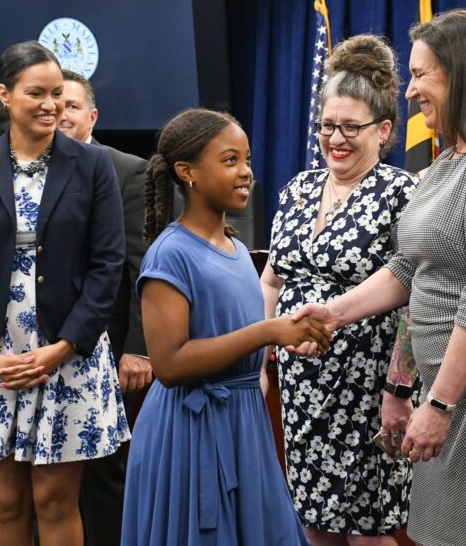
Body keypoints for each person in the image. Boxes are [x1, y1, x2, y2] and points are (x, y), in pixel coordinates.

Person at [293, 10, 466, 546]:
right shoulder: (447, 162)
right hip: (452, 384)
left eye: (422, 74)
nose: (410, 89)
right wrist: (335, 311)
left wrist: (437, 405)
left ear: (462, 73)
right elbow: (410, 270)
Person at [0, 41, 130, 546]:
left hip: (67, 353)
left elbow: (108, 267)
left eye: (58, 94)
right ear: (5, 95)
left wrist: (64, 346)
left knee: (54, 502)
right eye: (36, 93)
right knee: (5, 504)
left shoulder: (91, 164)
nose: (50, 105)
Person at [121, 109, 330, 545]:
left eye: (248, 160)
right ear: (188, 173)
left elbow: (238, 338)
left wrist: (284, 336)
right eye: (230, 160)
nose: (246, 172)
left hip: (243, 423)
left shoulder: (235, 246)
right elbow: (171, 364)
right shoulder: (170, 255)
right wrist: (269, 333)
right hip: (190, 434)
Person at [260, 34, 418, 545]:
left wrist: (399, 388)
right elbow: (273, 278)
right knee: (313, 525)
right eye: (328, 126)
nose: (337, 138)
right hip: (301, 388)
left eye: (352, 127)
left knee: (367, 533)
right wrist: (261, 361)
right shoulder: (298, 188)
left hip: (367, 391)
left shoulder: (403, 193)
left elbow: (416, 299)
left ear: (384, 130)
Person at [57, 69, 155, 546]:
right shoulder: (22, 171)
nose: (60, 113)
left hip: (110, 346)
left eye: (71, 105)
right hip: (42, 349)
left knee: (102, 470)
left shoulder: (126, 170)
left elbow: (142, 269)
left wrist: (138, 348)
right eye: (53, 102)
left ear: (91, 116)